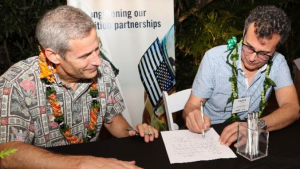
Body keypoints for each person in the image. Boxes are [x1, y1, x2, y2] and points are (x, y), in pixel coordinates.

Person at [0, 5, 158, 169]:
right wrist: (80, 164)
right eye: (84, 56)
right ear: (53, 55)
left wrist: (131, 133)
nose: (97, 61)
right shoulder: (15, 84)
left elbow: (111, 118)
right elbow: (7, 154)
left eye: (97, 49)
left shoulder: (103, 70)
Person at [183, 5, 299, 147]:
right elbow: (192, 105)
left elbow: (293, 108)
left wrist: (256, 125)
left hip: (248, 137)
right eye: (249, 47)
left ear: (275, 50)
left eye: (263, 54)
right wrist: (192, 115)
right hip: (210, 136)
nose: (251, 58)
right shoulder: (214, 59)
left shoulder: (278, 62)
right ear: (244, 32)